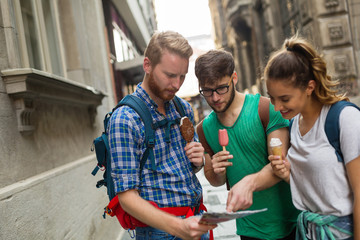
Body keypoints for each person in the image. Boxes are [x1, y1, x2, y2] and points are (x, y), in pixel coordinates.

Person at [108, 31, 216, 240]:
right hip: (160, 233)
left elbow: (189, 166)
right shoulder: (125, 119)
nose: (177, 85)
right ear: (147, 65)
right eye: (169, 75)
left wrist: (198, 160)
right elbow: (127, 198)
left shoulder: (182, 107)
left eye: (182, 76)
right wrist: (177, 227)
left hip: (196, 218)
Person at [195, 49, 299, 240]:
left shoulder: (266, 109)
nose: (215, 97)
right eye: (207, 91)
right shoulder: (203, 129)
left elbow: (280, 165)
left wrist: (248, 184)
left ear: (234, 78)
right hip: (248, 229)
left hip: (289, 222)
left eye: (221, 88)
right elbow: (214, 180)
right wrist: (218, 172)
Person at [265, 34, 360, 239]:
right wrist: (287, 175)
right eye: (272, 98)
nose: (276, 107)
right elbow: (320, 190)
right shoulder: (293, 126)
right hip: (310, 232)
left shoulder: (345, 118)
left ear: (310, 86)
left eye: (284, 99)